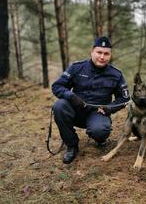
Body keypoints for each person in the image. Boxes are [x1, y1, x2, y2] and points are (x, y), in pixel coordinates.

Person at [52, 36, 130, 164]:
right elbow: (57, 86)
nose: (102, 57)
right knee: (59, 106)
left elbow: (125, 98)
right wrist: (70, 96)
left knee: (100, 131)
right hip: (76, 110)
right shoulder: (77, 67)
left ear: (110, 55)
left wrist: (110, 108)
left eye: (106, 54)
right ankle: (72, 145)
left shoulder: (116, 74)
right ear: (92, 52)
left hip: (98, 113)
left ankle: (99, 138)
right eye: (99, 52)